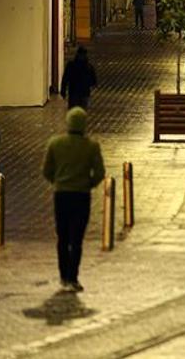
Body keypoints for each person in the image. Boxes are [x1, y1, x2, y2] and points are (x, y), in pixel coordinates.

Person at [42, 106, 105, 293]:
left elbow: (46, 170)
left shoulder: (55, 143)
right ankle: (73, 277)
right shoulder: (91, 146)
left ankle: (63, 276)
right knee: (76, 239)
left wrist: (58, 182)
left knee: (62, 237)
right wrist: (88, 183)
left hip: (61, 195)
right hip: (81, 196)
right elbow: (100, 172)